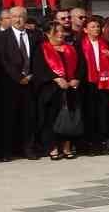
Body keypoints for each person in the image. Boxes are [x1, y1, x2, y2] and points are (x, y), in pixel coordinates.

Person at [0, 6, 39, 160]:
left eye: (21, 16)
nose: (18, 19)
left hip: (30, 82)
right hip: (9, 84)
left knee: (29, 118)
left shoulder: (35, 36)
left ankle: (28, 148)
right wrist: (18, 77)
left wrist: (31, 75)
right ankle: (7, 151)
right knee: (8, 119)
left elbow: (38, 58)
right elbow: (2, 61)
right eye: (14, 16)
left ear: (26, 17)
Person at [33, 22, 82, 160]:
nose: (60, 34)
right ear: (48, 34)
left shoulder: (70, 48)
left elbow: (80, 65)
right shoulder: (42, 49)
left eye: (62, 31)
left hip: (70, 89)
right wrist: (55, 78)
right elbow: (39, 69)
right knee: (51, 119)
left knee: (69, 118)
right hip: (51, 91)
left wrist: (76, 78)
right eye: (56, 31)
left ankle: (67, 147)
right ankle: (53, 147)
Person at [78, 18, 109, 155]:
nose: (96, 29)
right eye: (92, 27)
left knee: (102, 114)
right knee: (90, 113)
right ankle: (90, 144)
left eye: (98, 26)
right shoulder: (80, 44)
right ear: (85, 30)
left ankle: (101, 142)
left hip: (103, 81)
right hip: (87, 82)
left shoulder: (105, 43)